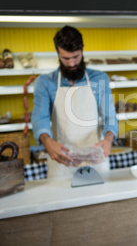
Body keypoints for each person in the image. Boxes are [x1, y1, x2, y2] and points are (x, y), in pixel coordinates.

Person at [32, 25, 118, 179]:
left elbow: (109, 117)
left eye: (76, 57)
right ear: (57, 53)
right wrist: (47, 141)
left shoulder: (100, 79)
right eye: (66, 58)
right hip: (62, 162)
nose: (71, 64)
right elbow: (40, 118)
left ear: (83, 50)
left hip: (95, 160)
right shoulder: (45, 83)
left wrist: (108, 139)